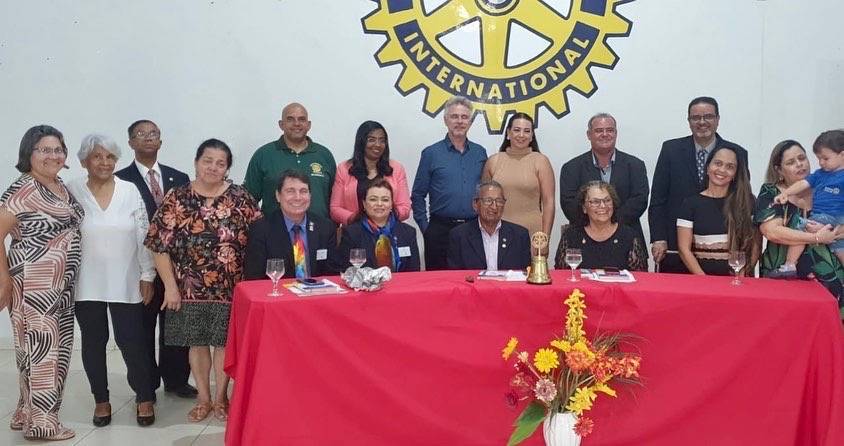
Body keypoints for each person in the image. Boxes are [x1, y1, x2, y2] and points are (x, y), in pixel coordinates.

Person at [145, 139, 261, 423]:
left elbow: (260, 239)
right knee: (196, 344)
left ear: (228, 168)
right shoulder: (177, 197)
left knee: (224, 345)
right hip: (188, 289)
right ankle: (203, 398)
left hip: (231, 289)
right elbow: (158, 245)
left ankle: (221, 399)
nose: (213, 167)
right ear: (196, 162)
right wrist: (170, 287)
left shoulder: (241, 198)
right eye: (208, 161)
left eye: (221, 163)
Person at [0, 125, 83, 441]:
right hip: (35, 284)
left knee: (33, 351)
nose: (53, 155)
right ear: (29, 154)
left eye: (58, 149)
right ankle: (43, 424)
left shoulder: (58, 185)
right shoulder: (23, 189)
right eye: (44, 150)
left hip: (59, 285)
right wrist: (4, 280)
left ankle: (25, 412)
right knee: (44, 353)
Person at [67, 134, 156, 427]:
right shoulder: (72, 190)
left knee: (132, 341)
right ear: (84, 161)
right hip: (86, 282)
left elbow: (144, 233)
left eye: (110, 157)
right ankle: (101, 400)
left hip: (126, 278)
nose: (104, 163)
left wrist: (147, 274)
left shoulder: (129, 190)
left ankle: (144, 396)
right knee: (93, 342)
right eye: (97, 156)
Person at [115, 120, 196, 399]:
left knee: (175, 326)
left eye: (154, 134)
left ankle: (176, 380)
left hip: (175, 267)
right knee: (142, 328)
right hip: (139, 267)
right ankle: (146, 385)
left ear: (160, 141)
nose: (148, 138)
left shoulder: (179, 177)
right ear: (131, 142)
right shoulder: (120, 180)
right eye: (141, 134)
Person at [649, 97, 749, 273]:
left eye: (708, 116)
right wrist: (659, 238)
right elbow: (658, 199)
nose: (702, 122)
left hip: (722, 249)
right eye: (696, 118)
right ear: (689, 121)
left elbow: (742, 195)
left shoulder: (737, 153)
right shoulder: (671, 150)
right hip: (676, 247)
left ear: (717, 119)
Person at [754, 140, 842, 312]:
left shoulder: (829, 189)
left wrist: (833, 232)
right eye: (790, 162)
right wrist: (816, 237)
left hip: (830, 282)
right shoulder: (772, 193)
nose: (799, 164)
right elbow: (772, 232)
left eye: (802, 158)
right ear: (779, 170)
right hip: (783, 282)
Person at [412, 96, 488, 270]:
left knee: (473, 279)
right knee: (439, 282)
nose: (459, 121)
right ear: (445, 120)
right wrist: (426, 228)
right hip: (439, 230)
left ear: (470, 122)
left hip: (473, 228)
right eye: (454, 116)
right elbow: (418, 194)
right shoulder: (431, 153)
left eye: (464, 117)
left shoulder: (480, 153)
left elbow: (485, 191)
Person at [558, 113, 649, 249]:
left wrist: (611, 224)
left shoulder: (635, 165)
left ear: (616, 133)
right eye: (599, 131)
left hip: (628, 240)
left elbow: (639, 200)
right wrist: (595, 225)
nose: (605, 134)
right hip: (583, 241)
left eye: (610, 130)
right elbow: (569, 204)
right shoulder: (571, 168)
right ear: (589, 135)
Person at [676, 146, 759, 276]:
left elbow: (755, 245)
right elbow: (683, 249)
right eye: (718, 163)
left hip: (738, 281)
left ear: (735, 174)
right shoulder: (690, 204)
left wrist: (742, 276)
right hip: (701, 281)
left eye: (730, 167)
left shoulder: (748, 202)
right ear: (708, 167)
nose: (722, 170)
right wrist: (705, 280)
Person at [244, 102, 336, 218]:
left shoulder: (324, 155)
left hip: (319, 228)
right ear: (281, 124)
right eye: (290, 119)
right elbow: (248, 200)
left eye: (301, 119)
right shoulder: (263, 155)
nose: (296, 123)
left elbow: (335, 201)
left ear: (308, 125)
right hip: (274, 228)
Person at [245, 170, 339, 280]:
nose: (298, 197)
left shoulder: (325, 228)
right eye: (290, 191)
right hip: (277, 290)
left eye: (303, 191)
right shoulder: (261, 230)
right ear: (278, 196)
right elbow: (254, 278)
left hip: (317, 290)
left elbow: (333, 274)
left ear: (310, 195)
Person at [773, 130, 844, 273]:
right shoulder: (820, 174)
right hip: (828, 219)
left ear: (842, 155)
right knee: (840, 248)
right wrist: (786, 193)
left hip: (829, 217)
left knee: (803, 226)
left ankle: (790, 264)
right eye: (819, 158)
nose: (821, 162)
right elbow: (803, 184)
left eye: (825, 158)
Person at [482, 112, 555, 241]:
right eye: (517, 130)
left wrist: (544, 238)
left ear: (532, 136)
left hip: (532, 234)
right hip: (497, 233)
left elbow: (548, 202)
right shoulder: (493, 161)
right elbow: (484, 201)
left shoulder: (541, 161)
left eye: (527, 131)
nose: (521, 135)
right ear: (508, 133)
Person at [330, 120, 411, 225]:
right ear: (361, 142)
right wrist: (358, 220)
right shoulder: (344, 169)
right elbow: (335, 208)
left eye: (382, 140)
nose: (377, 145)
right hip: (354, 230)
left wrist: (383, 218)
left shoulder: (397, 169)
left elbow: (405, 207)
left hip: (389, 230)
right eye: (371, 140)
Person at [554, 181, 647, 271]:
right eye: (595, 202)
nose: (603, 206)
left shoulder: (629, 237)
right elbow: (560, 275)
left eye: (607, 200)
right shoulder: (571, 236)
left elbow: (641, 277)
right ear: (584, 208)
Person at [337, 178, 421, 272]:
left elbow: (414, 271)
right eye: (373, 199)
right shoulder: (351, 234)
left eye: (385, 200)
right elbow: (346, 271)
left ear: (391, 204)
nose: (379, 204)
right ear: (364, 204)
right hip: (365, 282)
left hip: (402, 282)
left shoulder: (408, 233)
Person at [447, 180, 531, 270]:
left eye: (499, 201)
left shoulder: (520, 236)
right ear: (475, 204)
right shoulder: (459, 236)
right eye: (488, 201)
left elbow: (526, 273)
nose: (494, 207)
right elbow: (454, 275)